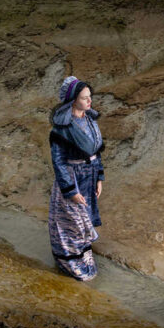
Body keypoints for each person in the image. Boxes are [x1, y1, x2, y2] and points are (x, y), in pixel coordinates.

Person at [48, 75, 105, 281]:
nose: (89, 101)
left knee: (86, 219)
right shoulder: (61, 129)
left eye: (90, 97)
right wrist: (70, 191)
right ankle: (69, 262)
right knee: (71, 221)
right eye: (84, 98)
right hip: (72, 178)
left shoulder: (90, 120)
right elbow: (59, 162)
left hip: (88, 177)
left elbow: (96, 152)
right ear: (73, 100)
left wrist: (99, 177)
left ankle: (85, 257)